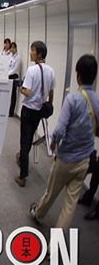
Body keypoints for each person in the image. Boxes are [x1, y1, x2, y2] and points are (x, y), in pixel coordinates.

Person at [30, 54, 98, 229]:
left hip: (66, 158)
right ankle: (55, 246)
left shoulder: (73, 99)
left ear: (78, 75)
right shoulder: (96, 101)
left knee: (51, 193)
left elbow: (60, 129)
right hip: (84, 161)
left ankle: (38, 214)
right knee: (70, 205)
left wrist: (53, 143)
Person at [15, 41, 55, 187]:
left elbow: (28, 92)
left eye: (32, 51)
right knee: (30, 136)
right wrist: (48, 104)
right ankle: (22, 158)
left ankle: (23, 175)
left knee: (24, 142)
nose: (30, 53)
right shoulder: (51, 71)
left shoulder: (32, 71)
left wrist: (20, 87)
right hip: (39, 111)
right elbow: (51, 92)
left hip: (28, 110)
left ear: (39, 54)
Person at [8, 42, 21, 117]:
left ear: (16, 48)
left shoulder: (18, 57)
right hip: (8, 76)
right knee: (8, 94)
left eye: (13, 48)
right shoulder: (10, 56)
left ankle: (11, 112)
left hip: (13, 77)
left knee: (13, 95)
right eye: (11, 48)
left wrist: (7, 74)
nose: (12, 49)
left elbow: (15, 69)